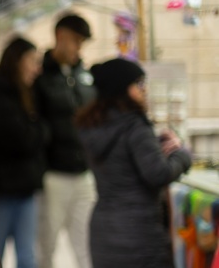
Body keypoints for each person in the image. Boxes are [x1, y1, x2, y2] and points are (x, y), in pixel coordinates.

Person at [77, 58, 191, 268]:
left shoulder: (92, 126)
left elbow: (121, 160)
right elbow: (158, 174)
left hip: (104, 234)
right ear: (124, 88)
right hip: (139, 234)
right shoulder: (135, 126)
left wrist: (154, 146)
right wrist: (182, 155)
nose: (144, 90)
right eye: (139, 84)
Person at [0, 37, 49, 268]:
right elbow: (23, 140)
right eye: (32, 61)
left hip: (25, 190)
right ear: (16, 61)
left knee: (28, 256)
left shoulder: (27, 94)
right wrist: (37, 132)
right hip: (2, 192)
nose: (37, 68)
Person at [34, 13, 97, 268]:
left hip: (84, 175)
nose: (79, 48)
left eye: (82, 42)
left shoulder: (86, 77)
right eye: (76, 40)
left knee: (86, 245)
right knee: (46, 245)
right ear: (60, 36)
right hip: (54, 176)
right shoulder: (40, 77)